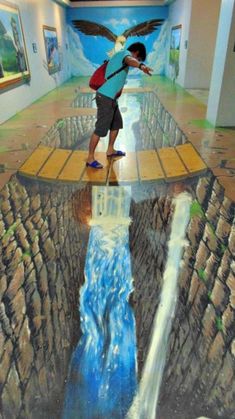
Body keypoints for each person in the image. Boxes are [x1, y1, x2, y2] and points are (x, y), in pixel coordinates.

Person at [86, 42, 153, 169]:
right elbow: (129, 60)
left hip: (111, 98)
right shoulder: (125, 54)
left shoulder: (121, 56)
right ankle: (90, 158)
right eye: (138, 58)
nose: (137, 61)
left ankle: (110, 150)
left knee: (116, 123)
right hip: (105, 97)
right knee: (100, 129)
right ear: (136, 53)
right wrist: (141, 65)